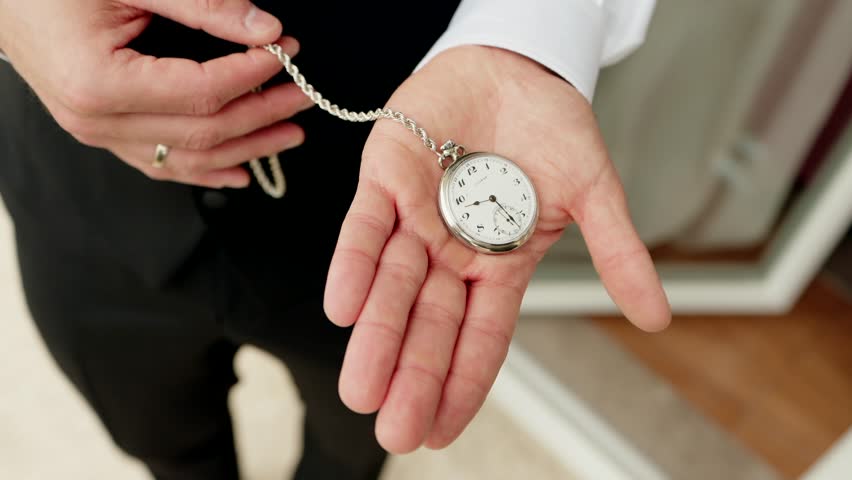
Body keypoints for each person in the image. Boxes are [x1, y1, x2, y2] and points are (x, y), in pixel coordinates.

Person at [0, 0, 669, 479]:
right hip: (74, 185)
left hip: (384, 205)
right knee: (160, 443)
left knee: (353, 445)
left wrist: (527, 32)